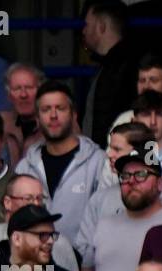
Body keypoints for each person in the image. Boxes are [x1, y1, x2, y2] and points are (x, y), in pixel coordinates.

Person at [84, 144, 162, 271]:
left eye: (141, 174)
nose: (131, 181)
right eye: (125, 176)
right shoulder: (104, 223)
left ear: (160, 184)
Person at [14, 82, 105, 242]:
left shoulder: (98, 162)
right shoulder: (25, 167)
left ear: (74, 114)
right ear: (37, 118)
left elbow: (104, 220)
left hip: (82, 264)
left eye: (60, 108)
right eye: (46, 109)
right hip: (34, 262)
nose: (53, 115)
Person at [0, 174, 82, 271]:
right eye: (28, 198)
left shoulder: (59, 244)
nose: (36, 204)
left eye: (39, 199)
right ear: (8, 202)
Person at [80, 1, 139, 143]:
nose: (83, 31)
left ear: (101, 27)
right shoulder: (109, 66)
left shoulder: (119, 70)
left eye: (87, 24)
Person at [2, 63, 44, 165]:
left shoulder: (55, 123)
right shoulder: (0, 124)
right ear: (9, 95)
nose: (23, 94)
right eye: (17, 89)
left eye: (29, 88)